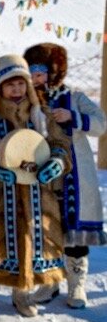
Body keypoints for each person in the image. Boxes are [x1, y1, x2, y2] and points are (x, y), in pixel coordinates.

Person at [0, 54, 70, 317]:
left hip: (36, 192)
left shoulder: (42, 114)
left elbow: (60, 144)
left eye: (21, 84)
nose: (17, 89)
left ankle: (21, 294)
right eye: (10, 84)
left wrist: (57, 162)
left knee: (30, 242)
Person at [24, 43, 107, 308]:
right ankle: (50, 283)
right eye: (31, 71)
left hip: (74, 176)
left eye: (40, 71)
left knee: (74, 231)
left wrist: (74, 117)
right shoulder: (27, 102)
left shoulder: (75, 98)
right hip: (41, 176)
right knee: (47, 231)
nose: (35, 77)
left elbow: (101, 124)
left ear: (53, 71)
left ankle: (77, 286)